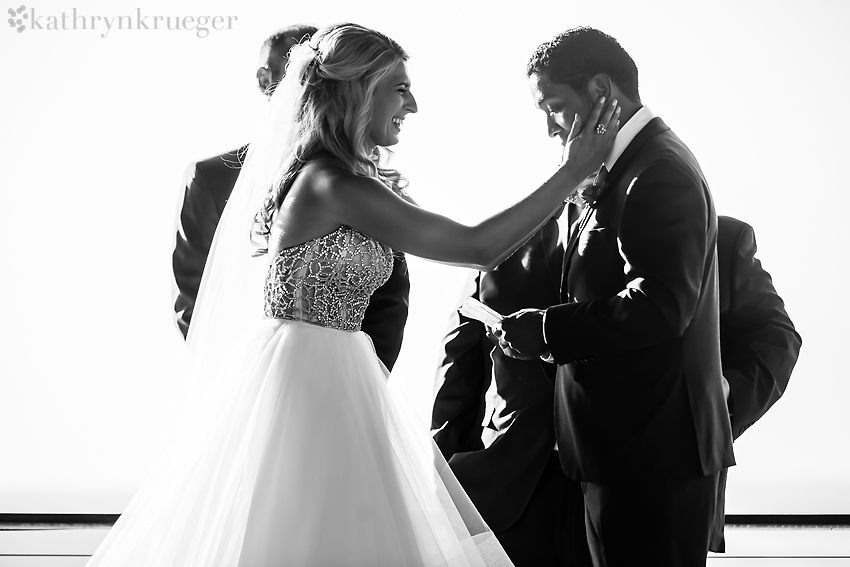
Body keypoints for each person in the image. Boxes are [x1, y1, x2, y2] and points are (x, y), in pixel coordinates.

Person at [86, 23, 621, 566]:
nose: (413, 105)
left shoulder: (345, 177)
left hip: (337, 375)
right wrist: (573, 170)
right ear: (357, 90)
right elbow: (475, 246)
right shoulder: (331, 183)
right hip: (308, 387)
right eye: (400, 88)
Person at [431, 213, 801, 563]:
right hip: (509, 499)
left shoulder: (719, 238)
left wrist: (718, 394)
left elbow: (774, 339)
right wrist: (443, 484)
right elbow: (460, 362)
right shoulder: (502, 238)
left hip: (655, 498)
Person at [497, 27, 734, 566]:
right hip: (624, 451)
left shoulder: (658, 170)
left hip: (650, 456)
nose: (549, 127)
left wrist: (548, 330)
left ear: (602, 89)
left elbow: (661, 303)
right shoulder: (627, 166)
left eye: (554, 107)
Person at [171, 24, 411, 370]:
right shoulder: (211, 178)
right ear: (264, 79)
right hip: (249, 379)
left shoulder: (365, 179)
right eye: (295, 76)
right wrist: (238, 388)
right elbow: (194, 295)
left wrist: (364, 377)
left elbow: (389, 299)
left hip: (345, 373)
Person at [431, 203, 593, 567]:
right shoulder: (508, 240)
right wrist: (441, 469)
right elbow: (461, 358)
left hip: (622, 483)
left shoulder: (673, 242)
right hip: (506, 479)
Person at [709, 215, 802, 552]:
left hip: (673, 487)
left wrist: (726, 390)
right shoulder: (546, 226)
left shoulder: (724, 238)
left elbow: (777, 339)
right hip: (547, 476)